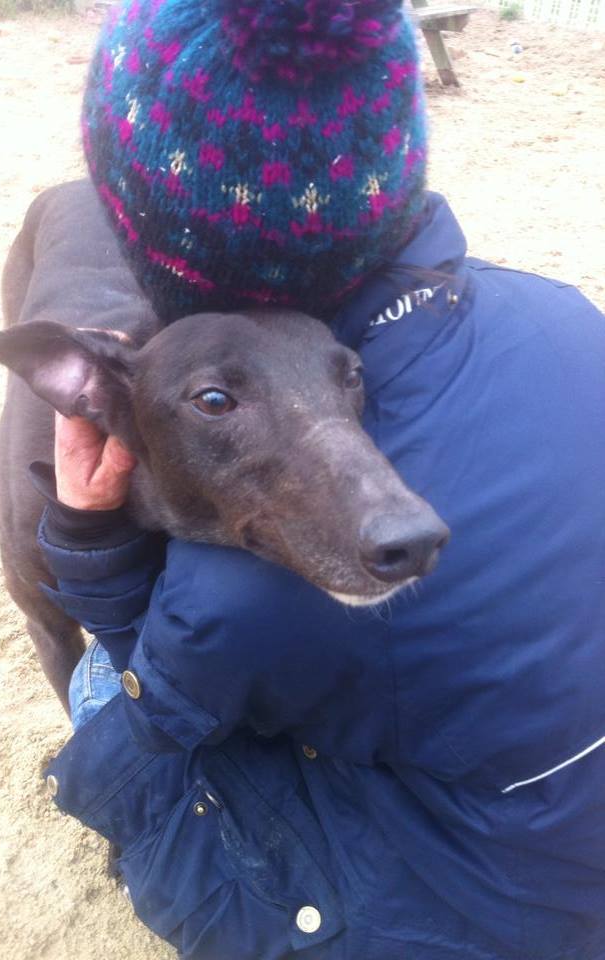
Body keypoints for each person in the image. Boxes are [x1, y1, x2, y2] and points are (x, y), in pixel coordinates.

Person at [35, 1, 605, 958]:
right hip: (568, 794)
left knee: (106, 686)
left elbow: (142, 738)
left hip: (469, 909)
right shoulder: (564, 313)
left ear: (141, 220)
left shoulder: (238, 593)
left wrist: (90, 541)